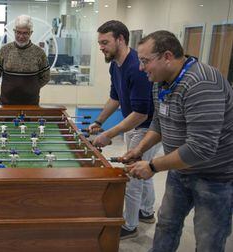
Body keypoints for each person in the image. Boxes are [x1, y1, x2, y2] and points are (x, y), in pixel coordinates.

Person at [124, 30, 233, 252]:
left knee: (208, 240)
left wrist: (153, 166)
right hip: (180, 171)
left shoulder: (202, 83)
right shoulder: (160, 81)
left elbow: (199, 149)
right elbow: (159, 123)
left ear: (167, 56)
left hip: (215, 178)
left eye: (145, 61)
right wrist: (139, 149)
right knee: (166, 226)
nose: (141, 68)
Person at [88, 20, 160, 239]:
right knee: (144, 170)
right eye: (99, 42)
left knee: (134, 176)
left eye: (105, 42)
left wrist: (108, 135)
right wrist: (99, 121)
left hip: (146, 128)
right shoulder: (115, 65)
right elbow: (115, 98)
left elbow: (140, 113)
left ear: (120, 39)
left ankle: (129, 225)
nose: (101, 46)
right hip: (135, 125)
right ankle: (146, 212)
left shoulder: (136, 68)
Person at [0, 15, 50, 106]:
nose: (21, 36)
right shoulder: (5, 50)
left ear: (30, 33)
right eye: (18, 32)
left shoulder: (39, 53)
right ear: (14, 31)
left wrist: (32, 88)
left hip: (31, 104)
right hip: (6, 104)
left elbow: (46, 77)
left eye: (25, 33)